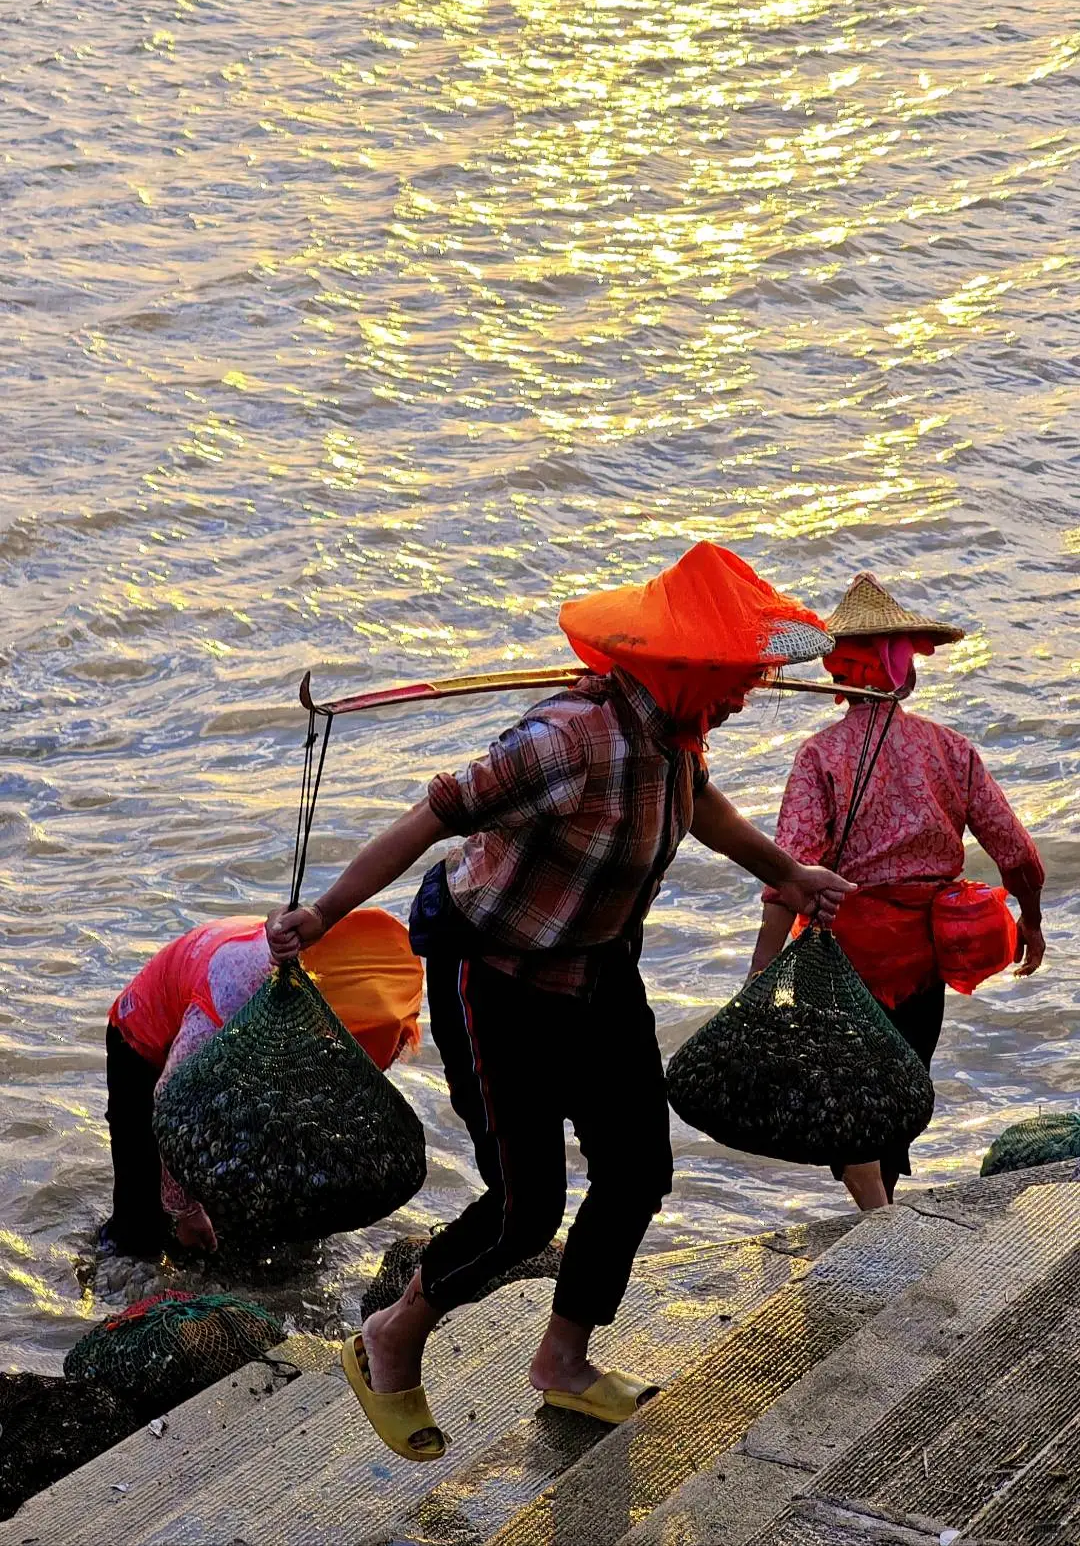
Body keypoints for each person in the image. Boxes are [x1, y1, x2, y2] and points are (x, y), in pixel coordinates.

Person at [267, 542, 855, 1461]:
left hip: (598, 968)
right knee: (523, 1207)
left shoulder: (677, 739)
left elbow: (701, 807)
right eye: (737, 675)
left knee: (637, 1168)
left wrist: (789, 872)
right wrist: (326, 911)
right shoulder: (564, 739)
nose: (751, 692)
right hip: (493, 972)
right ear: (683, 666)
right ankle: (393, 1332)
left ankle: (565, 1358)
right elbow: (435, 815)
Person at [750, 571, 1045, 1213]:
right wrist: (1032, 918)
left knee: (849, 1089)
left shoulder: (819, 757)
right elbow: (1016, 852)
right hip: (924, 955)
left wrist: (763, 965)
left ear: (838, 673)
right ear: (905, 669)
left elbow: (789, 874)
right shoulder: (951, 750)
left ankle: (877, 1213)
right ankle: (884, 1210)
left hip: (843, 957)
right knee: (902, 1081)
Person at [102, 908, 423, 1257]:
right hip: (143, 1039)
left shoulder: (327, 978)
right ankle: (115, 1267)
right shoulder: (234, 993)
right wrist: (185, 1210)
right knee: (140, 1226)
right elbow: (167, 1102)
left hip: (235, 1048)